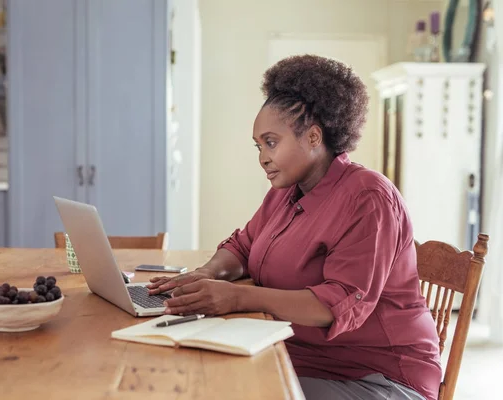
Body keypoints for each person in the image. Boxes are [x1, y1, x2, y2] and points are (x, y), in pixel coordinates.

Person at [147, 54, 442, 400]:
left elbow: (336, 304)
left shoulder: (368, 198)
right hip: (302, 358)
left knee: (224, 390)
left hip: (378, 377)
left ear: (314, 137)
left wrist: (236, 296)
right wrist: (208, 273)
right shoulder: (286, 193)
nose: (263, 158)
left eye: (271, 142)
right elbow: (242, 245)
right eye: (259, 146)